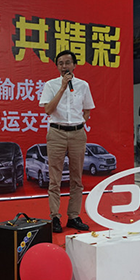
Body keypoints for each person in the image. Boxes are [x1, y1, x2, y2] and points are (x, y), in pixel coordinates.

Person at [39, 50, 95, 233]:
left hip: (77, 134)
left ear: (74, 65)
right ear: (57, 66)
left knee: (77, 178)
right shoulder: (51, 85)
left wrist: (79, 124)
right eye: (61, 63)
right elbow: (48, 109)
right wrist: (63, 87)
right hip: (57, 133)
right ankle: (55, 217)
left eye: (68, 62)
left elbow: (87, 110)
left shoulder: (83, 85)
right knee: (55, 178)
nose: (64, 66)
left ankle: (74, 216)